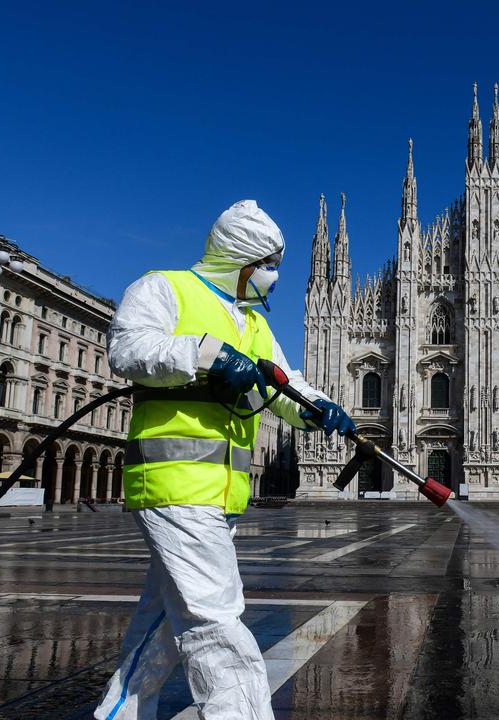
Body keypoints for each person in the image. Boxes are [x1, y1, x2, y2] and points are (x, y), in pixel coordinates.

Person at [94, 200, 356, 719]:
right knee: (216, 621)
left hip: (219, 494)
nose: (275, 278)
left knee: (166, 622)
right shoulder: (164, 288)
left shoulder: (251, 323)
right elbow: (127, 349)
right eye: (268, 265)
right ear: (240, 260)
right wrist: (206, 355)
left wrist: (319, 408)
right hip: (173, 483)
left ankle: (120, 712)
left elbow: (283, 383)